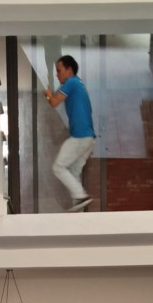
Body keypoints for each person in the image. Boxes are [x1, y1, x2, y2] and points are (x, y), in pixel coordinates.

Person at [44, 55, 96, 212]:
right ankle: (78, 205)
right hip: (89, 138)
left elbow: (54, 102)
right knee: (73, 172)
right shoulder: (79, 83)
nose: (57, 74)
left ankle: (80, 196)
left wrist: (48, 94)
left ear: (69, 70)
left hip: (80, 136)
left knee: (58, 167)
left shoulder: (71, 82)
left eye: (59, 70)